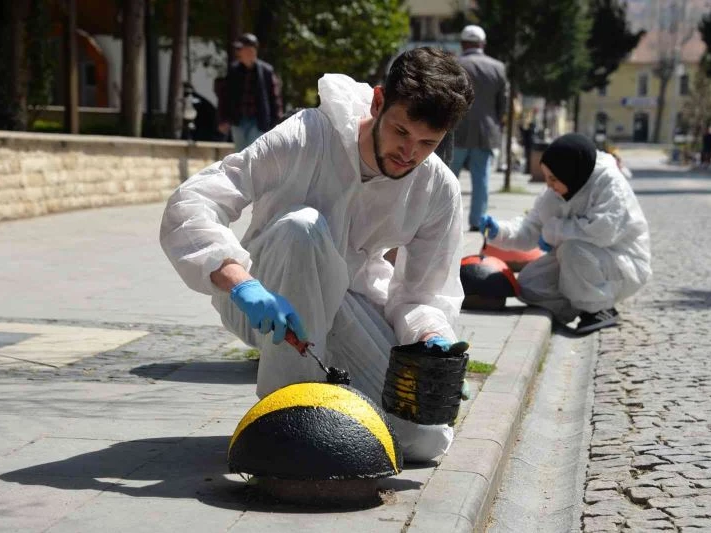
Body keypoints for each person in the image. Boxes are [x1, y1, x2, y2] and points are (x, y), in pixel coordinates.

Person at [160, 48, 475, 462]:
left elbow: (422, 295)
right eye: (401, 131)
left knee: (422, 438)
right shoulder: (308, 135)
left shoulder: (437, 188)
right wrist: (238, 281)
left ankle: (328, 399)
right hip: (269, 298)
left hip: (347, 300)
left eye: (427, 143)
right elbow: (193, 200)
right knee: (302, 227)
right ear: (378, 102)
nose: (409, 153)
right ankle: (286, 429)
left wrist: (431, 337)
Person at [478, 133, 651, 335]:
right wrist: (499, 231)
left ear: (570, 172)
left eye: (553, 178)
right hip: (583, 260)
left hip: (623, 261)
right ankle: (579, 303)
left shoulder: (609, 184)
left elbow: (602, 232)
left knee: (572, 249)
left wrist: (552, 232)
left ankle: (600, 309)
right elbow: (531, 228)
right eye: (546, 178)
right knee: (530, 285)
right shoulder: (557, 190)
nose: (549, 185)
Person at [449, 24, 508, 232]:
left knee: (447, 178)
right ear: (482, 44)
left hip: (455, 131)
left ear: (463, 43)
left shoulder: (454, 65)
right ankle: (477, 221)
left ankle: (445, 220)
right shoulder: (498, 68)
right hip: (486, 133)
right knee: (481, 180)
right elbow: (503, 104)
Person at [217, 33, 283, 152]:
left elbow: (275, 98)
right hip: (238, 120)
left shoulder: (266, 71)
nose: (238, 52)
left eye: (241, 49)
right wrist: (223, 119)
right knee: (241, 154)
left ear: (251, 50)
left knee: (253, 152)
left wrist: (277, 122)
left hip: (258, 121)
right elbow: (225, 97)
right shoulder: (234, 71)